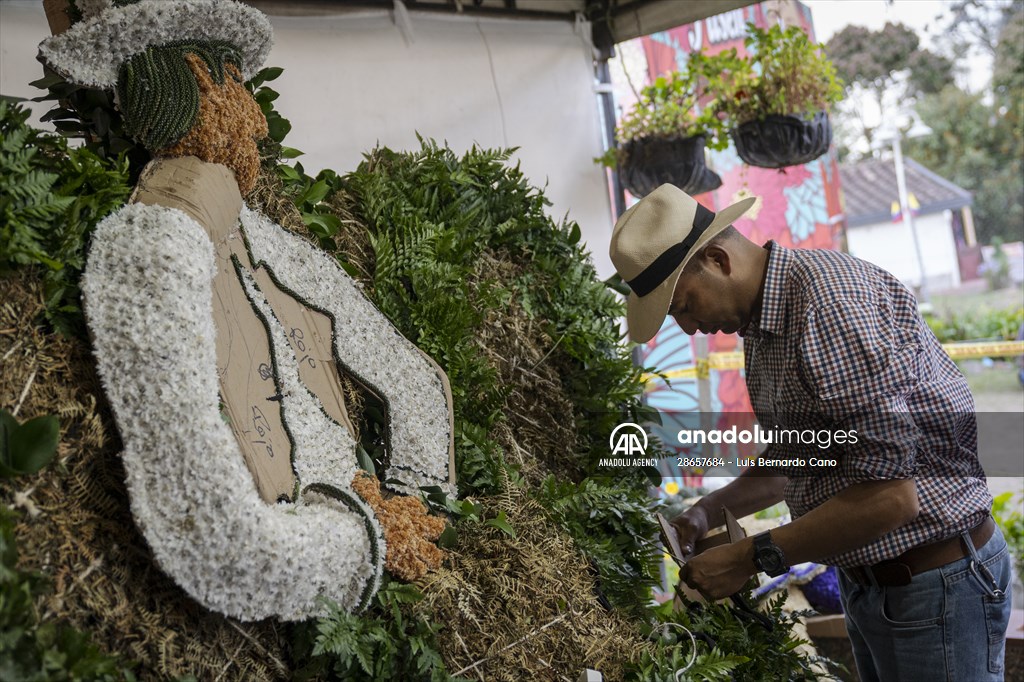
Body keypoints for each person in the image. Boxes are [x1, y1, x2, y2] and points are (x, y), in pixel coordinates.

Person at [609, 184, 1012, 681]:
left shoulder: (826, 308)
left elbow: (891, 497)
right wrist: (710, 509)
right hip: (876, 584)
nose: (689, 328)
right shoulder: (763, 323)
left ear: (718, 260)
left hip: (935, 585)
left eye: (684, 305)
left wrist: (749, 558)